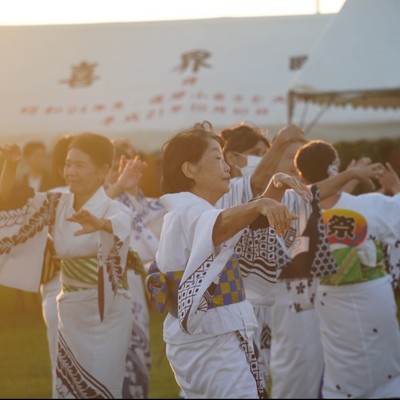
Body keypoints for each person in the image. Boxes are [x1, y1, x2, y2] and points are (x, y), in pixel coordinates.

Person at [146, 120, 301, 399]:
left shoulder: (198, 210)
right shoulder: (188, 211)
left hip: (212, 336)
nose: (226, 166)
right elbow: (223, 226)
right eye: (217, 158)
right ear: (190, 169)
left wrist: (274, 189)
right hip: (210, 341)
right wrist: (259, 203)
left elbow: (242, 226)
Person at [0, 132, 134, 398]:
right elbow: (8, 200)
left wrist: (101, 225)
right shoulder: (56, 203)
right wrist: (11, 164)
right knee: (69, 387)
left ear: (102, 170)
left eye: (79, 165)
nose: (70, 171)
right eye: (68, 164)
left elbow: (121, 224)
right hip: (70, 307)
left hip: (108, 310)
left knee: (102, 387)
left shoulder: (113, 208)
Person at [294, 139, 400, 398]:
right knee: (386, 365)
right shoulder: (370, 204)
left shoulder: (297, 215)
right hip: (374, 294)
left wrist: (347, 177)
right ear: (335, 168)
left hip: (331, 301)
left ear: (301, 176)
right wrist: (395, 188)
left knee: (342, 367)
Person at [105, 139, 166, 399]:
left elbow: (160, 217)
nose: (125, 169)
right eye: (116, 165)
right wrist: (119, 187)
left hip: (132, 285)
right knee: (107, 360)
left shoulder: (144, 204)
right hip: (101, 286)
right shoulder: (96, 200)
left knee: (138, 354)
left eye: (130, 162)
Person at [39, 134, 74, 398]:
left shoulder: (106, 199)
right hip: (59, 289)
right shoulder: (53, 198)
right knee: (63, 368)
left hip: (98, 295)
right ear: (63, 167)